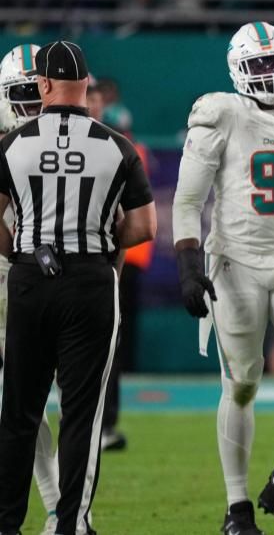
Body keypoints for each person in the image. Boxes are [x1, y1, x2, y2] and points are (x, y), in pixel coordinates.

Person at [173, 22, 274, 535]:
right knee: (242, 383)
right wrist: (187, 263)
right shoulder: (221, 113)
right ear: (238, 70)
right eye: (258, 64)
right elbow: (187, 200)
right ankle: (237, 507)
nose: (269, 73)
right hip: (235, 260)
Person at [0, 40, 156, 535]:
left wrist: (24, 252)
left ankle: (7, 523)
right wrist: (101, 243)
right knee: (82, 414)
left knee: (18, 412)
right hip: (91, 279)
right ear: (87, 86)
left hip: (27, 277)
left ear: (44, 85)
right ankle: (70, 523)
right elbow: (145, 227)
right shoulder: (117, 145)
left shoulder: (11, 145)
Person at [0, 42, 61, 535]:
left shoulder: (68, 135)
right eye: (22, 92)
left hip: (37, 277)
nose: (32, 102)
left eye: (38, 90)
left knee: (23, 400)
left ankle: (61, 507)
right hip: (17, 268)